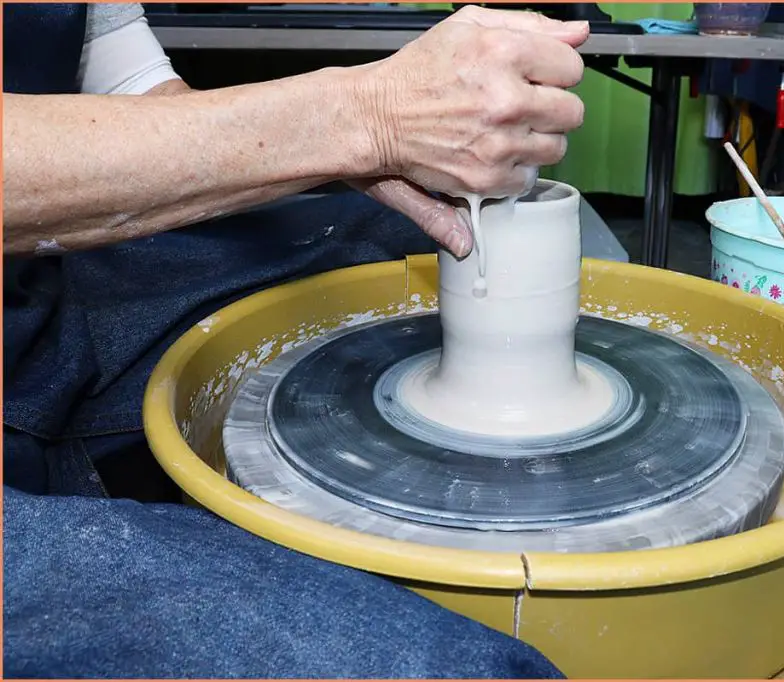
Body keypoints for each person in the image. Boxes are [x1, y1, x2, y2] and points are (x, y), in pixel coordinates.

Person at [3, 3, 587, 677]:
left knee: (393, 239)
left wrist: (377, 141)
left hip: (36, 311)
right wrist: (361, 118)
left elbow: (128, 79)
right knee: (460, 668)